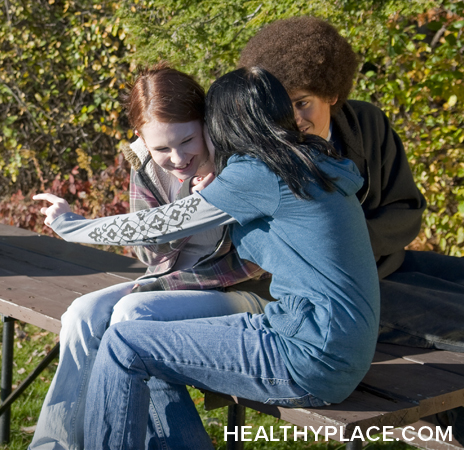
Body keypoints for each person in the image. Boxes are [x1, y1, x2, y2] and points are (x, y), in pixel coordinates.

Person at [44, 66, 380, 448]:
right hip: (319, 338)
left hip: (309, 353)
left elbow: (155, 226)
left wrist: (70, 225)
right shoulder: (306, 159)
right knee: (146, 343)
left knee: (125, 346)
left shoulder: (257, 173)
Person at [237, 15, 464, 441]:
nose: (292, 118)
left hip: (387, 262)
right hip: (326, 296)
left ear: (333, 94)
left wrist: (351, 242)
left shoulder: (367, 125)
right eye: (279, 107)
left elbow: (407, 209)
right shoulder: (260, 151)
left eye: (303, 102)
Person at [29, 65, 270, 450]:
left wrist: (216, 202)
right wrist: (185, 213)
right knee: (82, 314)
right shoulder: (145, 165)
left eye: (187, 140)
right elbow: (145, 248)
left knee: (132, 317)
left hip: (244, 292)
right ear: (141, 139)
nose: (177, 157)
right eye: (161, 148)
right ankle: (53, 445)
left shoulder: (235, 160)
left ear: (206, 124)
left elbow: (259, 254)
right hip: (170, 282)